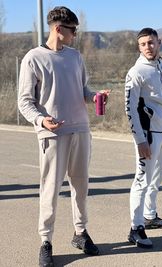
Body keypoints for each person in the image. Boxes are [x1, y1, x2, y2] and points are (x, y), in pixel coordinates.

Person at [18, 6, 109, 267]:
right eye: (72, 31)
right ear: (59, 29)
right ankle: (45, 241)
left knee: (81, 187)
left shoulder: (75, 57)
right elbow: (25, 102)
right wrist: (40, 119)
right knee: (50, 189)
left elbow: (83, 90)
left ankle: (80, 233)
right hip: (52, 134)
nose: (75, 36)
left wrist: (95, 97)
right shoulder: (33, 58)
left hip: (81, 130)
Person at [125, 28, 162, 248]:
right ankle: (136, 228)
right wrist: (140, 140)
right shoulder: (136, 73)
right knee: (141, 181)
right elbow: (130, 109)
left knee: (156, 179)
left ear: (159, 43)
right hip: (147, 136)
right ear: (139, 47)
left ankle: (150, 216)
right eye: (144, 44)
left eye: (152, 42)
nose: (148, 47)